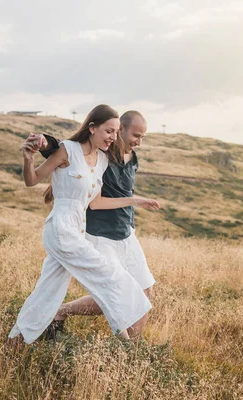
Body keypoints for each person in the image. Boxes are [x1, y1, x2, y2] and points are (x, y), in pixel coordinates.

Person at [9, 105, 157, 344]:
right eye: (109, 131)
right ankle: (128, 345)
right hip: (61, 229)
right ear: (92, 128)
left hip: (76, 230)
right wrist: (34, 151)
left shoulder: (99, 161)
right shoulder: (69, 150)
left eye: (115, 132)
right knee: (110, 278)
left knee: (48, 292)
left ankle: (16, 340)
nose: (113, 136)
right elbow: (36, 173)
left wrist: (136, 201)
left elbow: (96, 202)